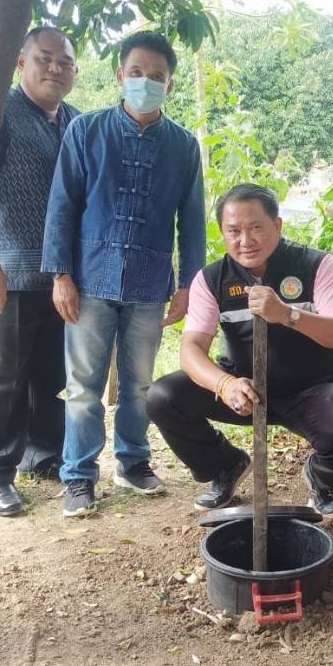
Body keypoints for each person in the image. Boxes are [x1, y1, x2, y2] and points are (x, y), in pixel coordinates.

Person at [42, 30, 205, 518]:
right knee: (83, 387)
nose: (146, 82)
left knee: (139, 385)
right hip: (89, 279)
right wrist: (60, 274)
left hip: (150, 284)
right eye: (137, 73)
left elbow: (192, 221)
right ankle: (78, 475)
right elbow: (62, 206)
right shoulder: (85, 131)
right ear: (120, 75)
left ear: (169, 85)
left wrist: (188, 286)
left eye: (157, 76)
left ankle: (132, 462)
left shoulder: (183, 146)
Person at [146, 184, 333, 515]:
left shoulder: (316, 265)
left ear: (277, 225)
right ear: (223, 233)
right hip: (244, 388)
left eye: (256, 228)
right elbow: (191, 349)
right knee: (162, 397)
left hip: (310, 389)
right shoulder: (212, 279)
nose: (246, 240)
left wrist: (288, 314)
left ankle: (322, 480)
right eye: (234, 231)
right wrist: (225, 385)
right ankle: (225, 465)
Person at [0, 25, 79, 517]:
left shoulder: (74, 122)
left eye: (65, 62)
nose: (55, 68)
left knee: (50, 373)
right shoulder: (1, 116)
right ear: (21, 62)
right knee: (4, 376)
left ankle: (43, 454)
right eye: (45, 58)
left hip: (60, 279)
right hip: (7, 275)